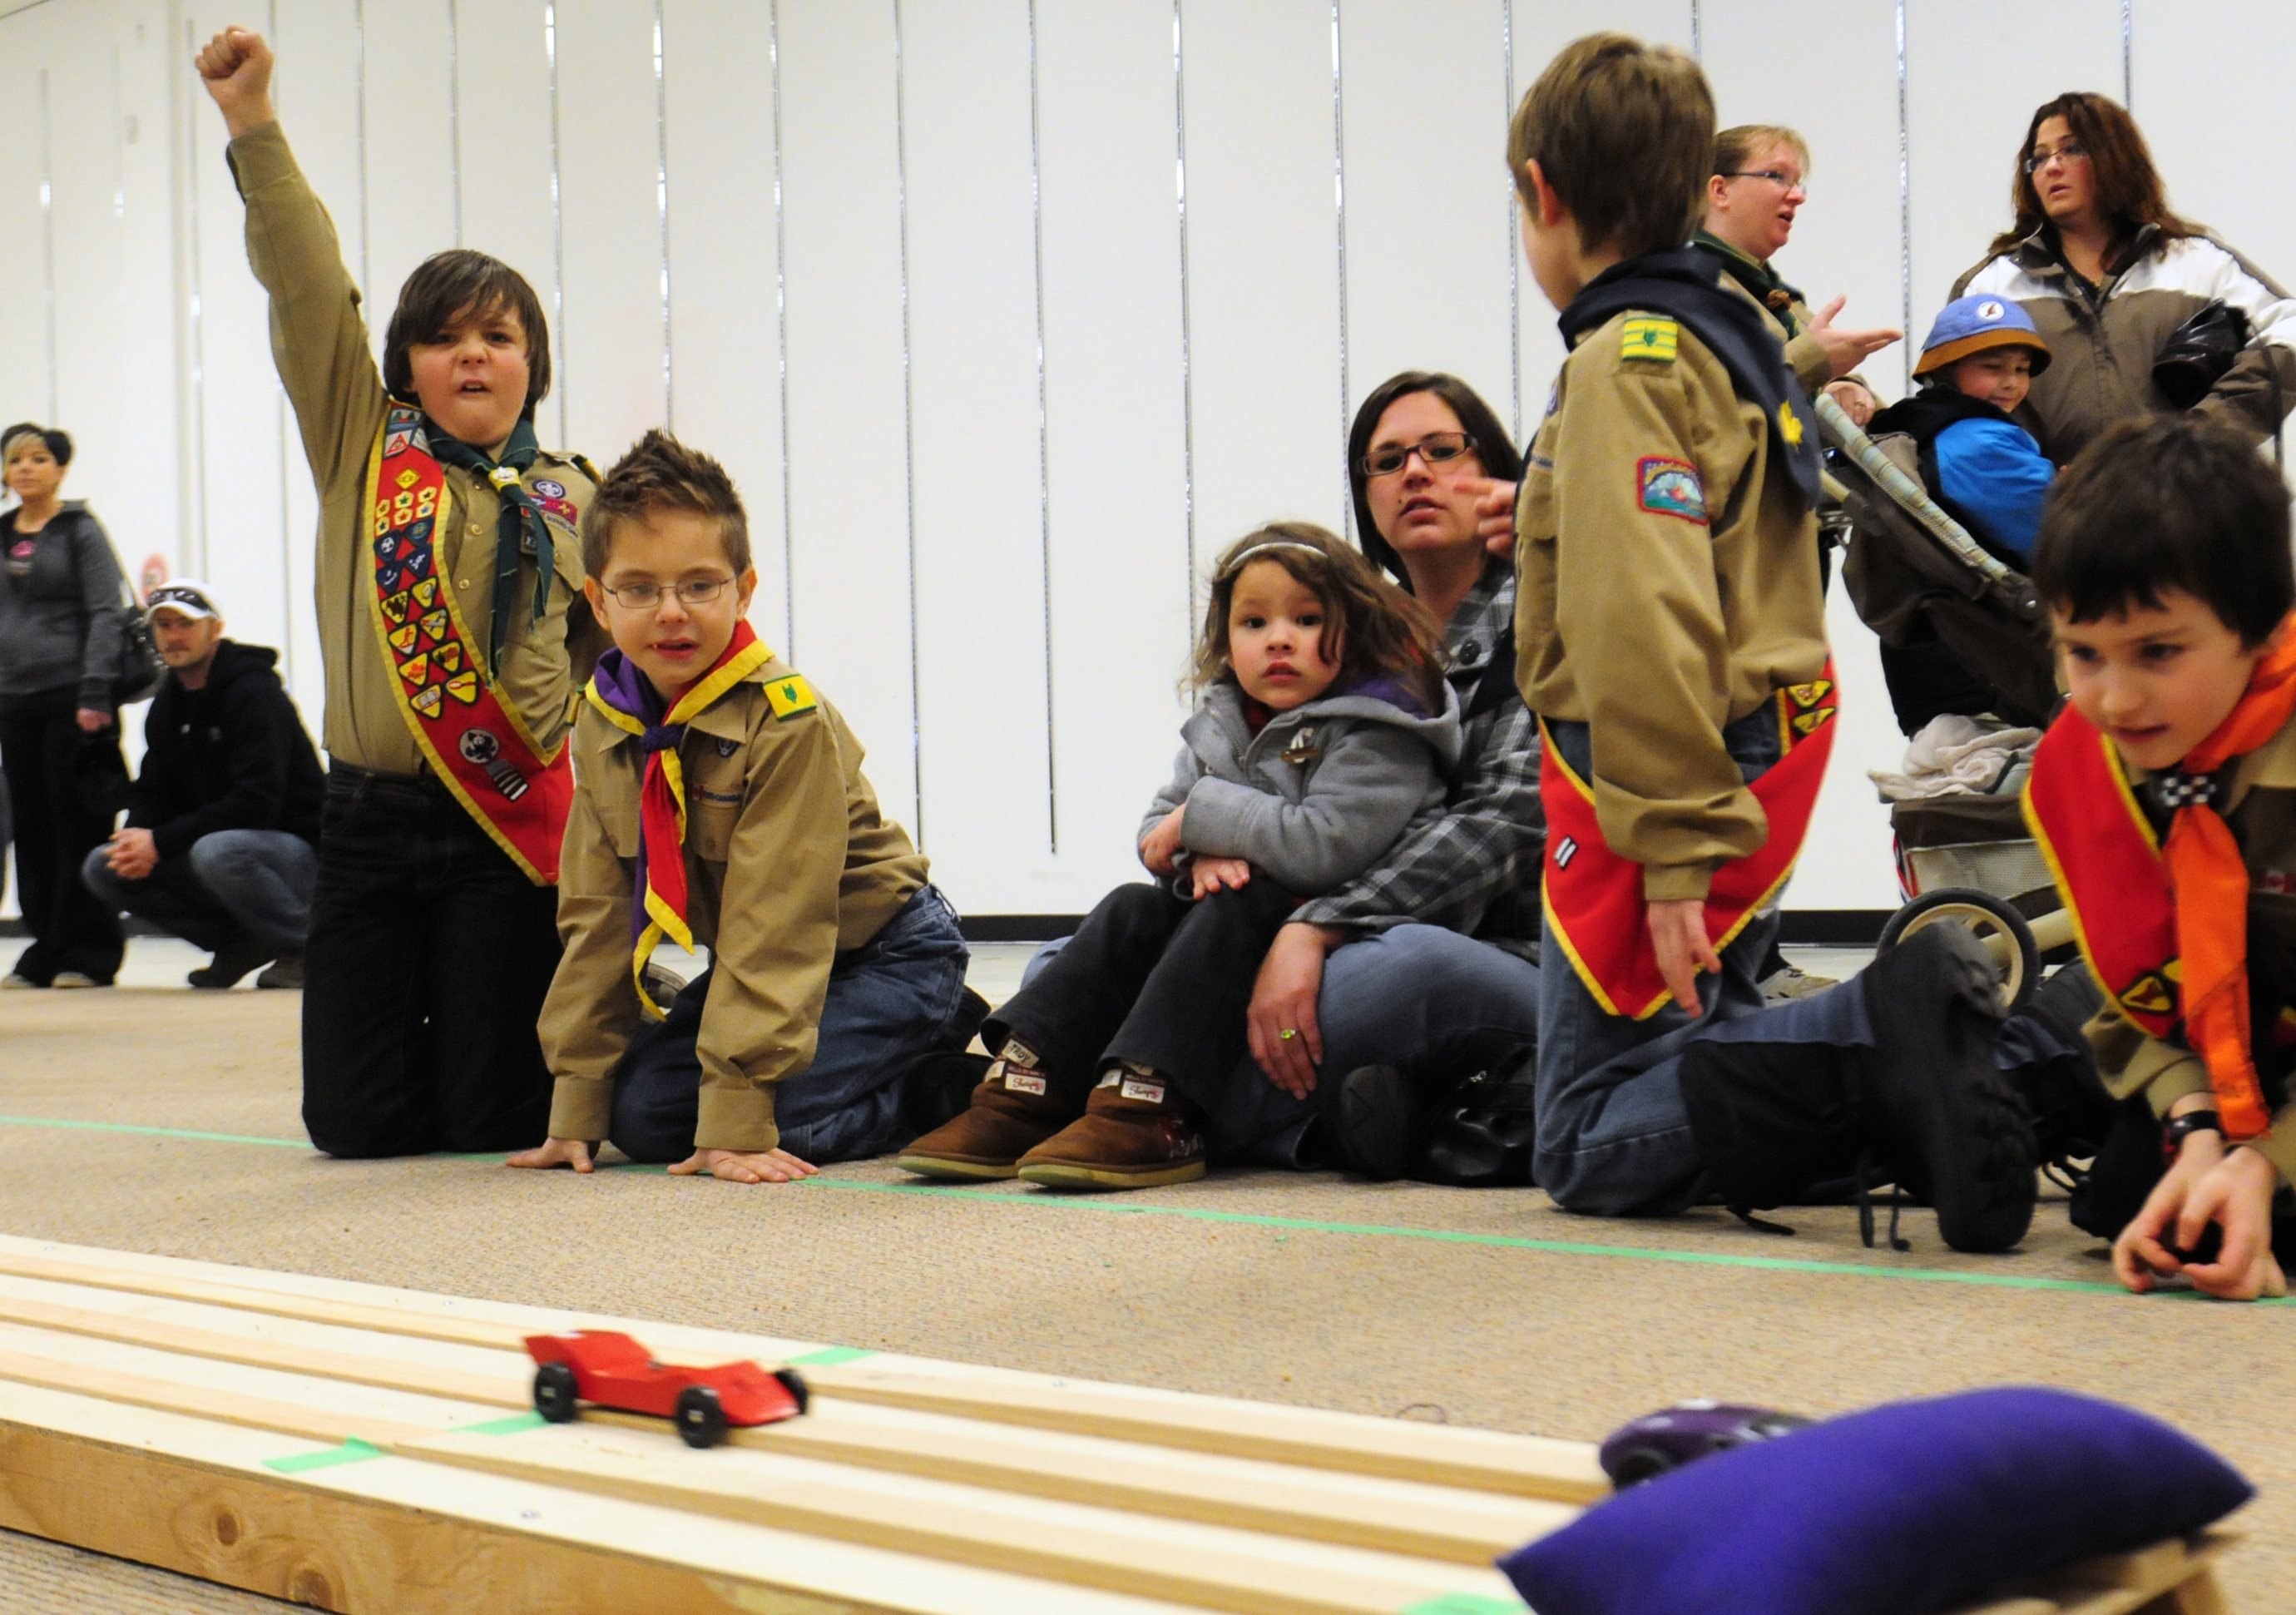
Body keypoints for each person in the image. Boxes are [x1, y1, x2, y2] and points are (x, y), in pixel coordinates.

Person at [1503, 32, 2036, 1251]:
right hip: (1758, 732)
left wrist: (1676, 845)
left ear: (1544, 192)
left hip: (1668, 754)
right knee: (1707, 1031)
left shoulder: (1623, 362)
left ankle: (1875, 1031)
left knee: (1584, 1139)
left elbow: (1643, 606)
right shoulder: (1725, 334)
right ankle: (1936, 1087)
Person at [200, 27, 609, 1156]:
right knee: (358, 1127)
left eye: (497, 336)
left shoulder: (585, 497)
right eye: (440, 339)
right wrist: (253, 122)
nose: (471, 356)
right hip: (368, 821)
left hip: (506, 831)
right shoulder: (363, 442)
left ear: (534, 361)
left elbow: (623, 657)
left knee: (492, 1120)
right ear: (402, 365)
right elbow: (303, 283)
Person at [898, 523, 1459, 1190]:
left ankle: (1150, 1103)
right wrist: (1191, 853)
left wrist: (1204, 821)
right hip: (1238, 918)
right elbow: (1155, 831)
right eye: (1254, 622)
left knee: (1234, 903)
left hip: (1345, 923)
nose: (1279, 638)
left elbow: (1326, 845)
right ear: (1226, 641)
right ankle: (1025, 1087)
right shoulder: (1224, 721)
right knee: (1131, 908)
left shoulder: (1381, 726)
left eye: (1308, 620)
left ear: (1357, 630)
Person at [508, 432, 971, 1186]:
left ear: (743, 589)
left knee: (700, 1119)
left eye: (700, 585)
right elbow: (596, 915)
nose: (671, 613)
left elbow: (774, 923)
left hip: (886, 955)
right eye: (638, 588)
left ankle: (935, 1086)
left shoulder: (785, 719)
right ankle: (895, 1048)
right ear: (597, 598)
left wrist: (740, 1117)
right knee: (637, 1109)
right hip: (774, 972)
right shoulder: (602, 721)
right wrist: (576, 1108)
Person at [2021, 414, 2296, 1302]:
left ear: (2260, 632)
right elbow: (2138, 993)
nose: (2115, 697)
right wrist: (2202, 1132)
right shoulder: (2082, 765)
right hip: (2237, 1031)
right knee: (2136, 1205)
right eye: (2083, 654)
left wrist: (2267, 1164)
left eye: (2159, 652)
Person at [1952, 92, 2296, 466]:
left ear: (2115, 158)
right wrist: (2032, 479)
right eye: (2039, 158)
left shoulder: (2198, 265)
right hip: (2056, 513)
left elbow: (2288, 340)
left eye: (2072, 150)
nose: (2052, 167)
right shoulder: (1992, 287)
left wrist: (2200, 438)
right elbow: (1952, 415)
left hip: (2193, 508)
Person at [80, 579, 324, 990]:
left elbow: (257, 804)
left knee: (218, 850)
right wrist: (136, 838)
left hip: (294, 853)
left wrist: (160, 841)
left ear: (216, 629)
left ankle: (308, 951)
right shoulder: (167, 704)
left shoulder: (254, 692)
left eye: (186, 624)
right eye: (164, 626)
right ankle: (239, 943)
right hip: (225, 848)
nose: (175, 636)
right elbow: (154, 789)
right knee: (105, 865)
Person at [0, 422, 128, 989]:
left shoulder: (80, 529)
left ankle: (91, 952)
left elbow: (106, 611)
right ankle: (46, 947)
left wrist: (95, 690)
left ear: (60, 468)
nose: (25, 468)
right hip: (14, 699)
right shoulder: (2, 533)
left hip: (75, 699)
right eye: (14, 460)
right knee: (31, 828)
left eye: (38, 458)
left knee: (77, 822)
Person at [1695, 124, 1895, 426]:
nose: (1799, 196)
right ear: (1720, 191)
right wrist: (1812, 360)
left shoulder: (1775, 296)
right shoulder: (1684, 290)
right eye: (1777, 176)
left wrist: (1847, 388)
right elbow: (1705, 408)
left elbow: (1813, 369)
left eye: (1799, 183)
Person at [1869, 295, 2056, 567]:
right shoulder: (1982, 446)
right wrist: (2075, 493)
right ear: (1945, 369)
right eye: (1993, 367)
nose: (2011, 382)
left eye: (2022, 369)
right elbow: (2070, 538)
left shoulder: (1917, 424)